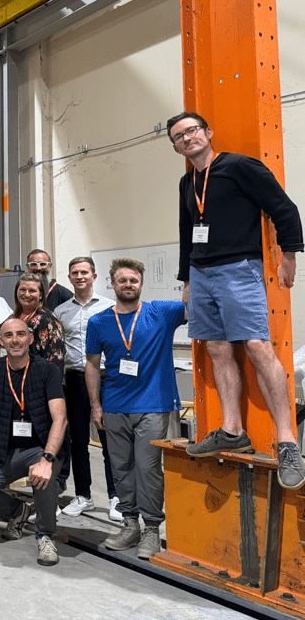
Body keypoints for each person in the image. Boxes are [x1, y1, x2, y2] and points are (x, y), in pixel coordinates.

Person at [169, 112, 305, 489]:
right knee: (215, 346)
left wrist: (288, 255)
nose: (186, 138)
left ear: (208, 132)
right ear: (176, 147)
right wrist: (186, 280)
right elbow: (186, 233)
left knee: (258, 347)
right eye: (178, 137)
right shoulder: (186, 182)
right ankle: (232, 429)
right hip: (201, 274)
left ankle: (287, 441)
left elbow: (284, 208)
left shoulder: (238, 167)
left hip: (239, 268)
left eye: (192, 130)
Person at [85, 258, 186, 560]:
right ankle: (130, 524)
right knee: (121, 469)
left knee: (149, 469)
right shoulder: (99, 322)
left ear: (141, 283)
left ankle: (152, 528)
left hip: (153, 406)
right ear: (112, 284)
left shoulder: (162, 313)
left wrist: (194, 266)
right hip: (115, 406)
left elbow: (194, 303)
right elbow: (91, 366)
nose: (128, 285)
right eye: (122, 280)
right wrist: (95, 405)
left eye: (133, 280)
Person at [0, 318, 67, 567]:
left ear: (30, 338)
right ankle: (18, 512)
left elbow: (60, 418)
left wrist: (47, 459)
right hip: (4, 452)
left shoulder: (47, 370)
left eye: (21, 334)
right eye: (8, 335)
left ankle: (45, 535)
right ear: (0, 342)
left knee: (44, 476)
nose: (15, 340)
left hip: (40, 449)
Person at [53, 257, 120, 521]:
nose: (80, 276)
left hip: (106, 379)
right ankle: (84, 496)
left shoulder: (110, 307)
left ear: (93, 275)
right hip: (73, 380)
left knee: (109, 441)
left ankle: (116, 497)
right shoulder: (61, 311)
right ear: (69, 278)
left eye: (84, 272)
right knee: (78, 441)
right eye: (74, 273)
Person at [0, 273, 65, 376]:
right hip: (7, 380)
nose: (26, 294)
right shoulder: (13, 318)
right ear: (17, 293)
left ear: (41, 295)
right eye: (22, 290)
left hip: (34, 383)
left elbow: (55, 363)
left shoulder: (49, 321)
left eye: (32, 291)